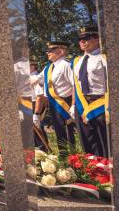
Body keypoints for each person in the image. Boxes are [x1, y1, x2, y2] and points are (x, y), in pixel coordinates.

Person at [71, 26, 109, 158]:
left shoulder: (104, 58)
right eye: (80, 39)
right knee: (88, 142)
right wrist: (73, 105)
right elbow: (75, 86)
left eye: (86, 38)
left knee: (105, 142)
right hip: (82, 106)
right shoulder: (76, 61)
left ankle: (110, 172)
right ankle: (94, 172)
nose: (82, 41)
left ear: (97, 39)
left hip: (101, 104)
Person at [36, 42, 76, 156]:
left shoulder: (66, 64)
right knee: (59, 132)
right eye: (48, 50)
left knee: (68, 133)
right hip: (53, 104)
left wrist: (73, 105)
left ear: (61, 51)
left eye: (52, 50)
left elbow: (75, 86)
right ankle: (63, 157)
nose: (48, 53)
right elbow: (35, 80)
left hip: (65, 102)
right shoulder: (48, 67)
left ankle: (73, 159)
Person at [28, 60, 49, 152]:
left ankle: (43, 150)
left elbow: (40, 96)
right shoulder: (29, 77)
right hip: (28, 104)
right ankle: (37, 150)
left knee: (37, 129)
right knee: (31, 131)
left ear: (32, 66)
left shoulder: (35, 78)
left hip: (35, 105)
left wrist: (36, 113)